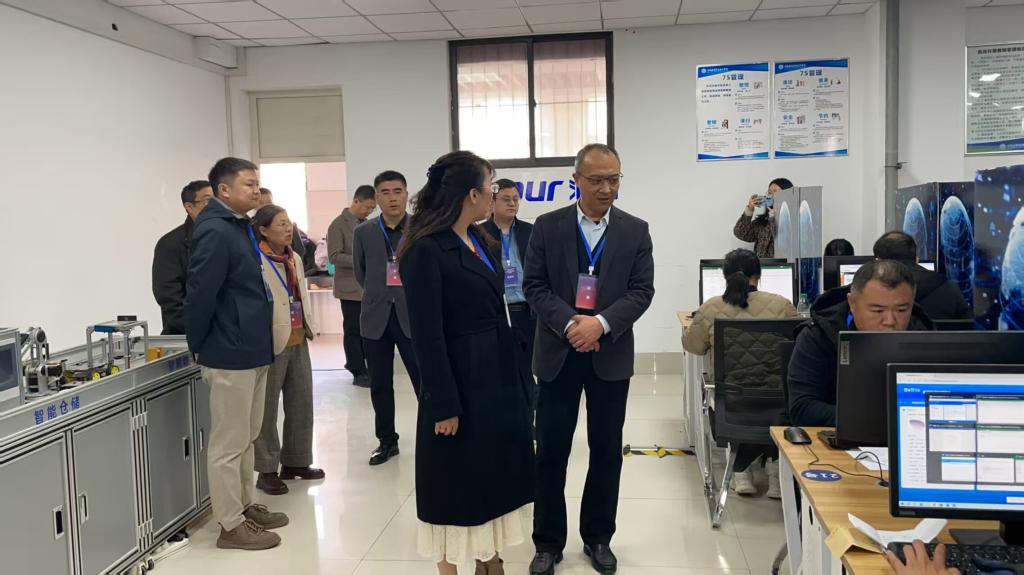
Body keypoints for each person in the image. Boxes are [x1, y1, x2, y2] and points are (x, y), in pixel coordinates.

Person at [398, 151, 534, 575]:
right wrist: (443, 404)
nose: (496, 194)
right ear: (473, 194)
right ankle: (453, 567)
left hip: (495, 377)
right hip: (459, 381)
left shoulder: (479, 239)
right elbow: (427, 335)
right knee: (453, 485)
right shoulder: (425, 250)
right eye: (491, 187)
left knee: (489, 477)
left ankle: (489, 559)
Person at [525, 144, 655, 575]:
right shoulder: (548, 227)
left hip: (609, 355)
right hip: (558, 354)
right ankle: (547, 543)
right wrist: (571, 325)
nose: (606, 188)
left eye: (613, 179)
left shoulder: (636, 230)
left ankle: (599, 537)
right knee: (551, 451)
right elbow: (535, 286)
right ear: (576, 180)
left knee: (606, 450)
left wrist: (599, 324)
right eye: (597, 180)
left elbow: (642, 291)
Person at [184, 157, 288, 551]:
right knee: (229, 443)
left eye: (258, 183)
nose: (256, 190)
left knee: (248, 436)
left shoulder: (237, 225)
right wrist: (198, 344)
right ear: (224, 190)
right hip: (228, 349)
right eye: (249, 184)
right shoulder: (214, 229)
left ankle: (244, 506)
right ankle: (230, 524)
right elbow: (200, 294)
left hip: (252, 347)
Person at [683, 249, 798, 499]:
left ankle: (741, 471)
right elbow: (799, 345)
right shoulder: (783, 305)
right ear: (759, 275)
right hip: (779, 406)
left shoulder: (711, 308)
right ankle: (775, 472)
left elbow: (694, 346)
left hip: (732, 406)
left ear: (724, 276)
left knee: (722, 389)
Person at [788, 260, 934, 427]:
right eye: (878, 310)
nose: (890, 321)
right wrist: (876, 420)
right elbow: (802, 408)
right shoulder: (819, 336)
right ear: (852, 303)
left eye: (901, 310)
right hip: (841, 435)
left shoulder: (925, 336)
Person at [250, 205, 325, 496]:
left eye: (288, 223)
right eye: (280, 224)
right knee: (267, 409)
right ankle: (266, 469)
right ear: (263, 230)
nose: (287, 228)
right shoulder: (256, 259)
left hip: (298, 337)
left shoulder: (293, 257)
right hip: (271, 341)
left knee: (301, 403)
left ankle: (296, 462)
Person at [353, 170, 422, 466]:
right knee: (380, 384)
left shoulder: (421, 228)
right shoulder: (364, 232)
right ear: (376, 197)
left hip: (413, 315)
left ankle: (434, 437)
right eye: (385, 192)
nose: (392, 198)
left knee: (424, 381)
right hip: (375, 317)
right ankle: (386, 440)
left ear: (406, 194)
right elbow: (361, 273)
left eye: (397, 191)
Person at [482, 178, 536, 401]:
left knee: (529, 368)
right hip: (497, 311)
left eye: (515, 199)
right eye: (506, 199)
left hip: (527, 310)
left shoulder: (530, 231)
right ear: (492, 203)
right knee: (501, 370)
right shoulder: (479, 233)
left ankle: (531, 413)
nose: (512, 204)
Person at [327, 184, 378, 388]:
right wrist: (362, 260)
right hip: (349, 289)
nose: (369, 211)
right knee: (353, 330)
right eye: (367, 207)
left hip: (369, 287)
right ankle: (356, 369)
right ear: (356, 201)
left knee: (369, 329)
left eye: (372, 208)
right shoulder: (338, 225)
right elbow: (334, 257)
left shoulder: (369, 225)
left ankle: (368, 366)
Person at [152, 180, 213, 335]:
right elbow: (170, 299)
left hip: (229, 334)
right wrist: (199, 329)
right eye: (208, 201)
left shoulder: (224, 238)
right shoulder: (170, 244)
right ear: (189, 207)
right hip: (188, 335)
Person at [873, 231, 973, 321]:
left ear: (879, 262)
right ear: (916, 259)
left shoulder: (871, 290)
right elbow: (968, 327)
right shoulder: (949, 287)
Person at [733, 177, 793, 258]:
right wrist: (750, 209)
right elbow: (740, 233)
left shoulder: (794, 220)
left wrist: (773, 217)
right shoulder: (763, 221)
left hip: (784, 265)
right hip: (762, 265)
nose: (770, 195)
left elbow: (779, 236)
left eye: (775, 191)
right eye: (769, 192)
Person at [258, 187, 306, 258]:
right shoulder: (250, 227)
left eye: (269, 203)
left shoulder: (295, 257)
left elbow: (299, 250)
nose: (265, 206)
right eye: (261, 203)